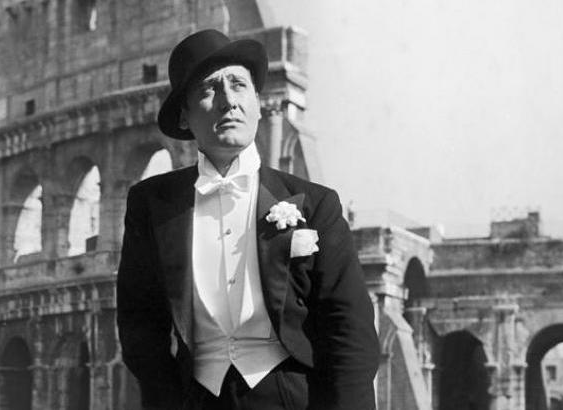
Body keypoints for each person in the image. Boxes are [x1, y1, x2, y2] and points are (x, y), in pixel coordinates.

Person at [117, 29, 380, 410]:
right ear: (185, 116)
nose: (228, 101)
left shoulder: (316, 204)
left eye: (238, 85)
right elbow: (139, 326)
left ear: (258, 103)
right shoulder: (152, 204)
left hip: (292, 400)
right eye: (209, 89)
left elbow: (350, 331)